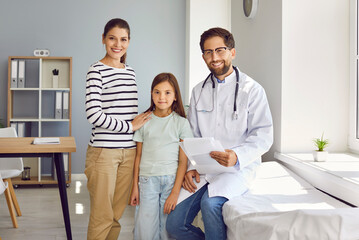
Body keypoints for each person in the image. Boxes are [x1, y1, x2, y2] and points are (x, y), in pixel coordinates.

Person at [166, 27, 273, 240]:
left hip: (237, 169)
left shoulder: (252, 89)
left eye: (220, 50)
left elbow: (263, 135)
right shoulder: (198, 91)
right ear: (203, 56)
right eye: (208, 52)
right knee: (175, 224)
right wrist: (190, 167)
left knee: (210, 204)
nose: (214, 57)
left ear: (232, 52)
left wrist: (236, 156)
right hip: (204, 168)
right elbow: (192, 134)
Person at [84, 18, 152, 240]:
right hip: (104, 152)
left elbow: (125, 109)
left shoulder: (129, 71)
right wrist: (129, 126)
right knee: (102, 215)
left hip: (128, 151)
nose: (117, 44)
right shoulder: (96, 70)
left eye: (123, 39)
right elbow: (93, 114)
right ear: (103, 39)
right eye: (112, 38)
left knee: (115, 215)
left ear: (129, 42)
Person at [130, 73, 193, 240]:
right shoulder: (143, 120)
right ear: (151, 94)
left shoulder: (182, 123)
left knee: (166, 229)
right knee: (145, 228)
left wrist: (174, 192)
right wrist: (135, 187)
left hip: (171, 181)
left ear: (175, 96)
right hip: (147, 181)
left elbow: (183, 162)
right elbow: (138, 157)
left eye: (167, 93)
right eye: (157, 92)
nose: (161, 97)